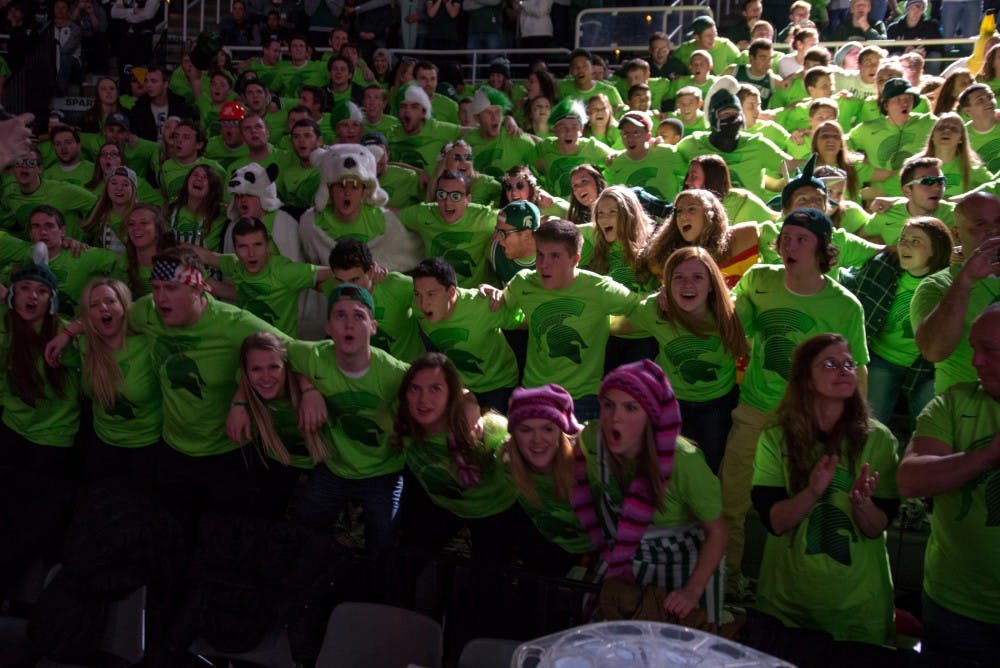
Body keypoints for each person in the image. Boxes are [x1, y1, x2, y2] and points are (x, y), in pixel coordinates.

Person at [721, 207, 869, 600]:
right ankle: (728, 590)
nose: (789, 245)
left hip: (808, 423)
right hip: (754, 413)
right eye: (785, 237)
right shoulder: (759, 279)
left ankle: (785, 597)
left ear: (822, 249)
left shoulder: (845, 306)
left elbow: (859, 374)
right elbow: (735, 326)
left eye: (801, 239)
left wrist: (854, 430)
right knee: (730, 507)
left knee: (798, 512)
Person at [749, 334, 898, 659]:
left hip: (857, 609)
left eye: (848, 364)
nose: (844, 371)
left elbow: (875, 528)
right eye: (830, 364)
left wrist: (863, 504)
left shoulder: (879, 440)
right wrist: (813, 491)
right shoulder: (775, 436)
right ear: (804, 378)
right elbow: (775, 521)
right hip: (787, 605)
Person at [576, 360, 726, 624]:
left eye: (631, 407)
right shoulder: (593, 440)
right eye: (608, 404)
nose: (615, 417)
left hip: (684, 561)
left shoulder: (684, 462)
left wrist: (692, 591)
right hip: (625, 552)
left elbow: (718, 532)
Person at [896, 304, 1000, 665]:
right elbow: (911, 478)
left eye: (990, 350)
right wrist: (986, 456)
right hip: (956, 606)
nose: (976, 361)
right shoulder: (954, 403)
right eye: (974, 348)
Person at [482, 219, 640, 420]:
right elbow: (501, 303)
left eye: (555, 256)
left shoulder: (599, 289)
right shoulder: (523, 282)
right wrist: (487, 292)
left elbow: (641, 308)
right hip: (533, 391)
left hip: (581, 398)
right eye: (540, 254)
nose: (543, 264)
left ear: (575, 259)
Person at [615, 248, 748, 473]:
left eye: (697, 277)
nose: (688, 284)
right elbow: (616, 327)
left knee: (709, 469)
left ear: (711, 284)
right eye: (679, 277)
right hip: (671, 403)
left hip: (717, 405)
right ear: (667, 284)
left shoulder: (734, 312)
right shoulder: (655, 311)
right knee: (668, 469)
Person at [843, 216, 953, 431]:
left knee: (929, 428)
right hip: (882, 358)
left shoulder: (949, 281)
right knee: (870, 426)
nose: (905, 245)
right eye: (903, 238)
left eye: (916, 241)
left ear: (935, 250)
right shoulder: (881, 267)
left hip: (926, 367)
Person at [912, 192, 1000, 395]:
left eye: (999, 221)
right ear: (957, 234)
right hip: (963, 412)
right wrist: (966, 279)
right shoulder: (935, 286)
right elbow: (934, 351)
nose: (993, 231)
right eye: (980, 224)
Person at [235, 331, 328, 518]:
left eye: (273, 367)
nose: (266, 377)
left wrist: (310, 389)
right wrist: (236, 404)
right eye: (256, 369)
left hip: (322, 465)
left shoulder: (310, 386)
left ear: (286, 367)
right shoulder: (245, 388)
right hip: (277, 459)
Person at [503, 384, 594, 574]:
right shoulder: (505, 461)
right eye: (525, 430)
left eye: (548, 429)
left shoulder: (587, 461)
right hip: (547, 545)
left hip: (600, 552)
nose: (537, 439)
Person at [643, 188, 760, 287]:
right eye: (679, 211)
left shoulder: (745, 236)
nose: (683, 216)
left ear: (710, 214)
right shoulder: (662, 259)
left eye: (691, 209)